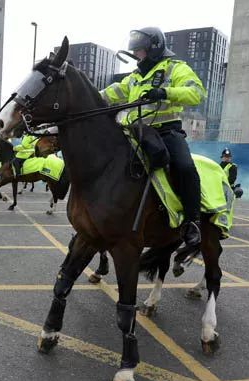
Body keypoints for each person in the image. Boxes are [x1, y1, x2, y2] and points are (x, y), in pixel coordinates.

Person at [101, 26, 206, 247]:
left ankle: (192, 222)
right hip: (136, 132)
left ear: (155, 48)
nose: (137, 56)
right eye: (135, 51)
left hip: (167, 131)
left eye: (140, 51)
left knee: (185, 167)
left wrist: (166, 92)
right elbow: (113, 93)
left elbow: (196, 93)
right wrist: (87, 96)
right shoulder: (135, 77)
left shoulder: (175, 68)